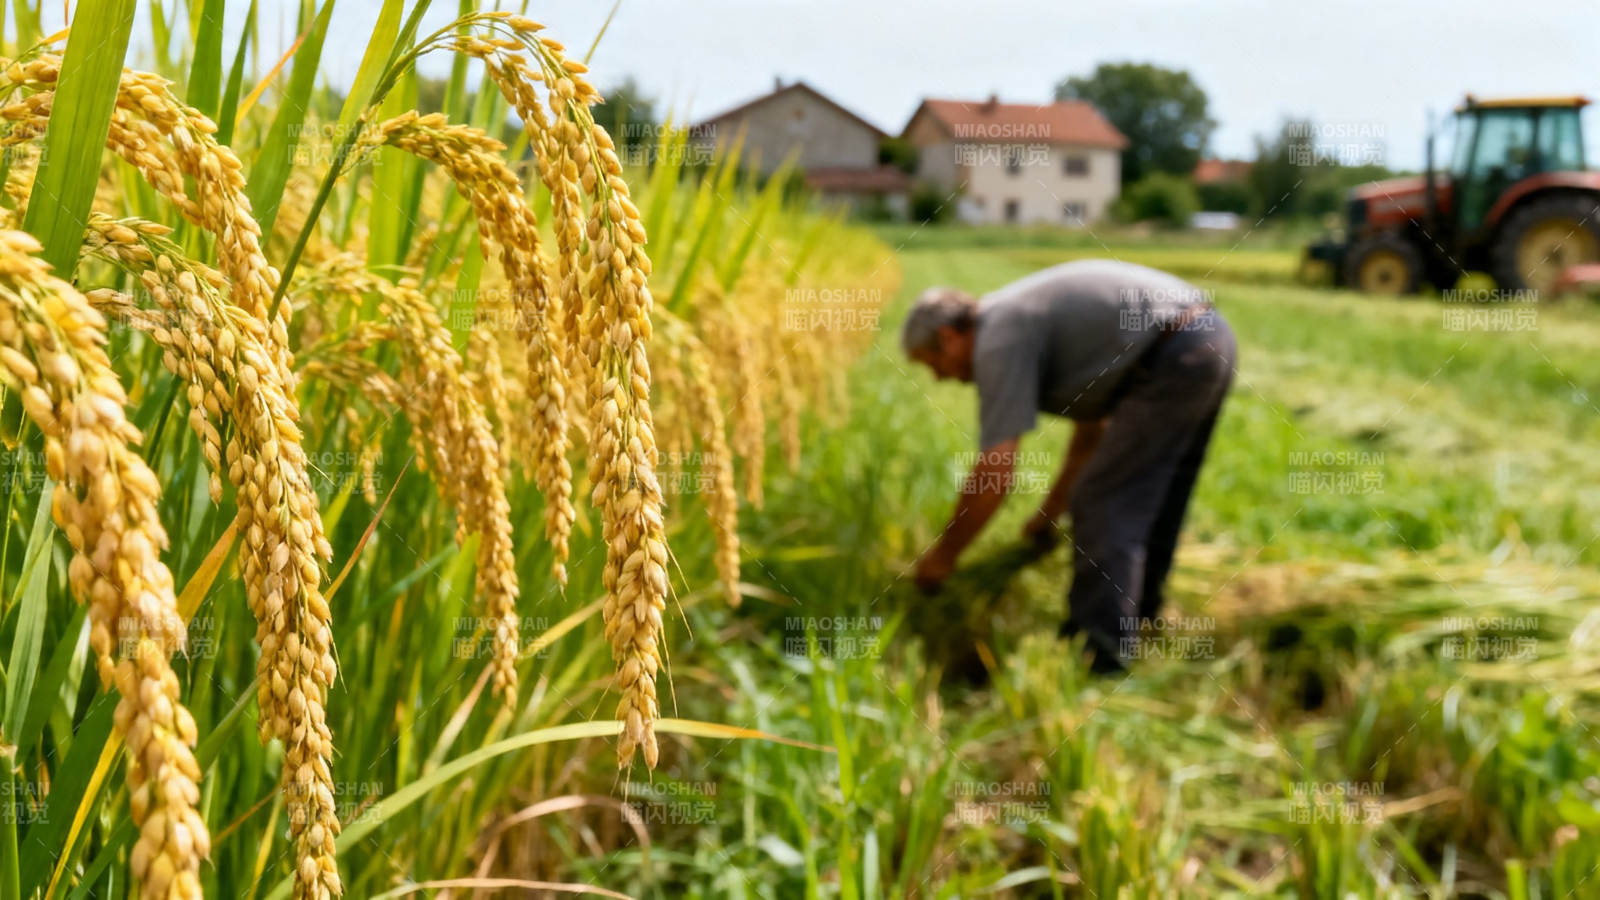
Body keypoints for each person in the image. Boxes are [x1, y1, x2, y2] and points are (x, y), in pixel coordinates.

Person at [902, 259, 1236, 672]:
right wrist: (1048, 516)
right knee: (1154, 497)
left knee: (1103, 503)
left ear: (948, 338)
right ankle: (1141, 619)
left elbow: (995, 469)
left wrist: (944, 557)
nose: (939, 378)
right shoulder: (1016, 322)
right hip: (1204, 340)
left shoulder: (996, 340)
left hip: (1175, 352)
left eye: (932, 363)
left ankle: (1099, 656)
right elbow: (1089, 435)